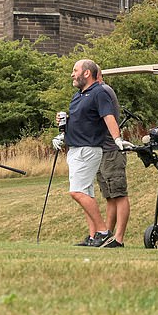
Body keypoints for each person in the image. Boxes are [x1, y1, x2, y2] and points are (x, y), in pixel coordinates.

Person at [52, 59, 125, 247]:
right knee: (85, 192)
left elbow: (108, 117)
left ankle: (103, 232)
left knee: (77, 192)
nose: (72, 74)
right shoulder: (78, 95)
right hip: (75, 148)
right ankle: (93, 236)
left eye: (75, 70)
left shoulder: (99, 92)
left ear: (86, 73)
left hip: (88, 149)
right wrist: (63, 128)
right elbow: (79, 122)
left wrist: (117, 139)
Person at [94, 68, 129, 248]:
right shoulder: (94, 93)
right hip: (100, 151)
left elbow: (108, 118)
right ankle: (107, 236)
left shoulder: (104, 91)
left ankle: (119, 238)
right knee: (109, 196)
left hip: (111, 150)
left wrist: (117, 139)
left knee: (119, 194)